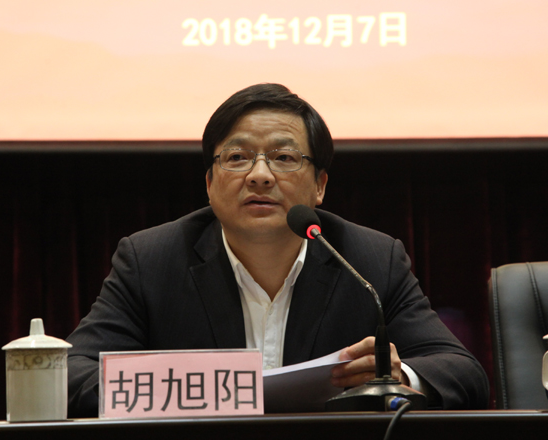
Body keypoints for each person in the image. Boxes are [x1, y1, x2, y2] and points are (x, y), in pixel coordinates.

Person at [66, 83, 489, 417]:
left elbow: (462, 372)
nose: (260, 175)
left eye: (284, 158)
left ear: (320, 185)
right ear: (209, 184)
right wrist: (179, 388)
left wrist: (398, 375)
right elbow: (70, 375)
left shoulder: (370, 260)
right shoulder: (151, 260)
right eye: (237, 157)